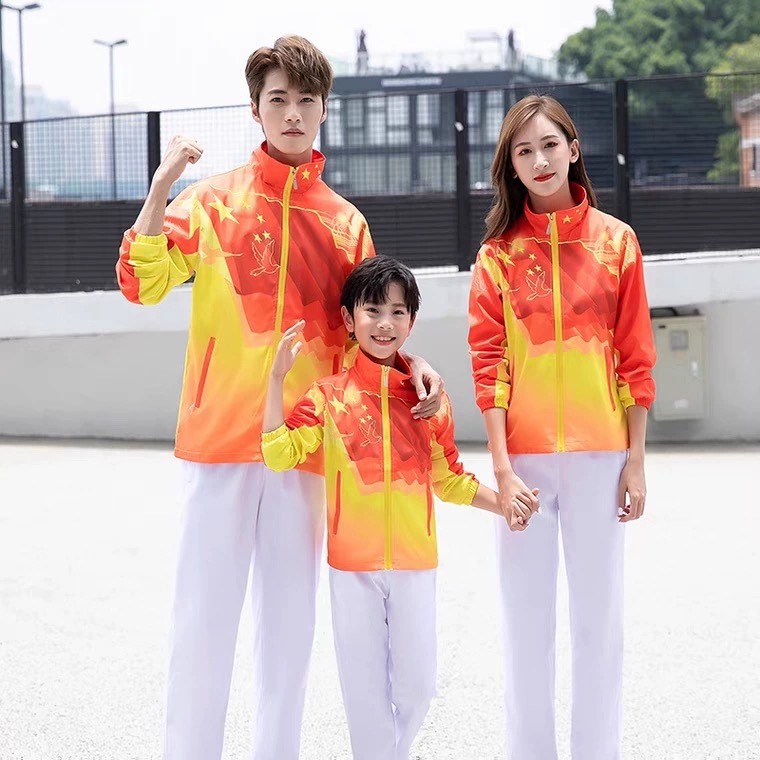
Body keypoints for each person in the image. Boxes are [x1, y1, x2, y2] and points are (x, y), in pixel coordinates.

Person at [115, 35, 444, 760]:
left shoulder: (346, 223)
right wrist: (162, 185)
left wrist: (414, 365)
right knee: (201, 625)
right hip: (218, 444)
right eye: (278, 100)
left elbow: (371, 332)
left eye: (305, 100)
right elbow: (141, 282)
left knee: (288, 637)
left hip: (302, 447)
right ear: (256, 109)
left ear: (324, 110)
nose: (292, 113)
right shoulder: (210, 202)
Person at [261, 255, 536, 760]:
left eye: (397, 312)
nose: (384, 323)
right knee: (364, 697)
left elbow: (449, 479)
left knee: (418, 689)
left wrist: (504, 504)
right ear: (349, 319)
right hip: (352, 568)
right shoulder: (328, 397)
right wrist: (275, 380)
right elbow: (279, 453)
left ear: (411, 321)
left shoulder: (427, 399)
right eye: (372, 311)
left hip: (415, 563)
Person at [467, 94, 656, 760]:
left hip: (602, 458)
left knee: (599, 626)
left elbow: (635, 358)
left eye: (550, 145)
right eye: (524, 151)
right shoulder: (497, 257)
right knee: (526, 629)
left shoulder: (616, 243)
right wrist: (501, 468)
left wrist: (635, 458)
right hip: (524, 466)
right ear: (511, 167)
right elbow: (489, 367)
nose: (540, 160)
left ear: (573, 149)